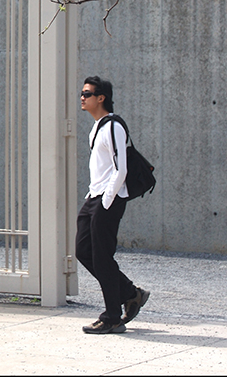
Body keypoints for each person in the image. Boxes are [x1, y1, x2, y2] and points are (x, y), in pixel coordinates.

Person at [76, 76, 150, 334]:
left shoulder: (113, 126)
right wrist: (91, 196)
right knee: (83, 251)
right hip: (94, 197)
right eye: (82, 94)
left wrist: (106, 200)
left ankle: (112, 318)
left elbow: (121, 169)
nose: (82, 98)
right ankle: (130, 293)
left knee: (102, 258)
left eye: (87, 94)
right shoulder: (95, 128)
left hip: (109, 199)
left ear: (101, 98)